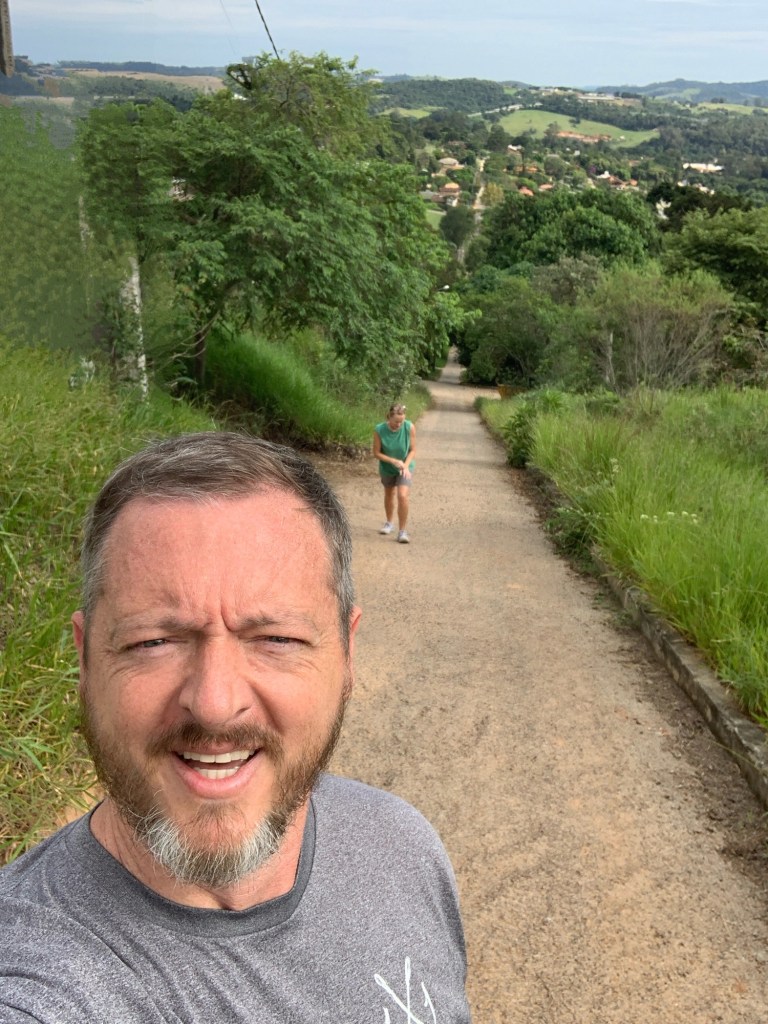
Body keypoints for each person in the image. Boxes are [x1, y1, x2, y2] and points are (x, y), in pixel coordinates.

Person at [0, 432, 470, 1023]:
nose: (215, 705)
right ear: (85, 660)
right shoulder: (35, 979)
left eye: (276, 639)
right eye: (153, 642)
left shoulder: (403, 846)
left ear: (348, 654)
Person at [373, 403, 416, 544]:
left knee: (402, 495)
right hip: (387, 467)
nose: (399, 424)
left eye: (401, 421)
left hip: (405, 466)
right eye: (396, 421)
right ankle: (389, 523)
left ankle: (402, 531)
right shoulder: (379, 430)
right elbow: (376, 453)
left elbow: (413, 450)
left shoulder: (409, 427)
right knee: (389, 494)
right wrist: (393, 461)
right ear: (389, 417)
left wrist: (405, 466)